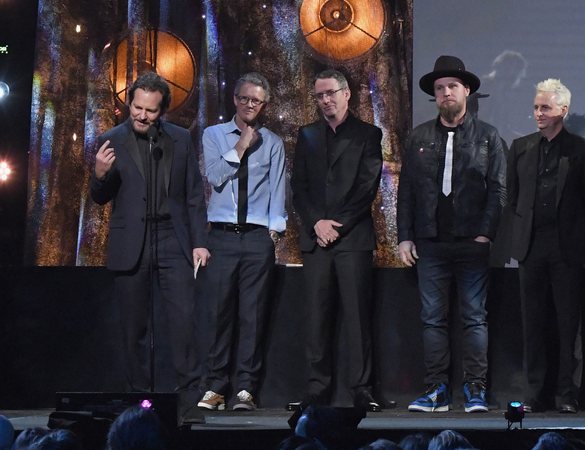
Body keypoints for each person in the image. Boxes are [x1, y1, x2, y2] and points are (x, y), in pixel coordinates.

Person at [90, 72, 209, 419]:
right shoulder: (110, 139)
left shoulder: (180, 139)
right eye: (137, 107)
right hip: (132, 242)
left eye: (150, 111)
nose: (142, 116)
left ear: (163, 111)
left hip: (173, 238)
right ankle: (139, 404)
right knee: (134, 329)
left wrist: (200, 242)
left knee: (184, 323)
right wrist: (99, 174)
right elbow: (100, 198)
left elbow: (193, 194)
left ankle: (189, 405)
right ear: (129, 103)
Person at [397, 55, 506, 413]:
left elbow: (498, 190)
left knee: (474, 317)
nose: (445, 93)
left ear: (466, 91)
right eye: (440, 88)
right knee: (432, 319)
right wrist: (405, 237)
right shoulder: (419, 137)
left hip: (472, 242)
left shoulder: (488, 136)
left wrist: (485, 234)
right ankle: (436, 391)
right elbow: (407, 190)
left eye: (452, 87)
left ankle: (475, 389)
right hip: (430, 243)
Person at [289, 69, 384, 412]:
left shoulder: (368, 134)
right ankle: (317, 388)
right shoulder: (308, 134)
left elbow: (366, 187)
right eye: (319, 95)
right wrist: (316, 222)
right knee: (317, 316)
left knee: (357, 318)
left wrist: (337, 225)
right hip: (316, 240)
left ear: (346, 94)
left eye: (330, 93)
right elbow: (299, 187)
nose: (325, 100)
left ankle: (362, 388)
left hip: (352, 239)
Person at [506, 79, 585, 414]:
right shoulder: (520, 147)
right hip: (530, 247)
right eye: (535, 107)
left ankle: (567, 393)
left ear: (563, 109)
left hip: (567, 249)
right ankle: (534, 393)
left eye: (545, 107)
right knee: (532, 323)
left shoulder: (584, 151)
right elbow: (514, 198)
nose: (538, 113)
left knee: (567, 323)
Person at [196, 72, 286, 411]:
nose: (251, 105)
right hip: (220, 236)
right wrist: (241, 145)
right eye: (245, 98)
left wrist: (274, 231)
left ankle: (246, 388)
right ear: (235, 99)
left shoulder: (274, 142)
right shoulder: (214, 135)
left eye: (257, 101)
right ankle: (215, 386)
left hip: (257, 238)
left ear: (264, 105)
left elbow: (278, 189)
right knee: (219, 313)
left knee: (253, 315)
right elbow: (216, 176)